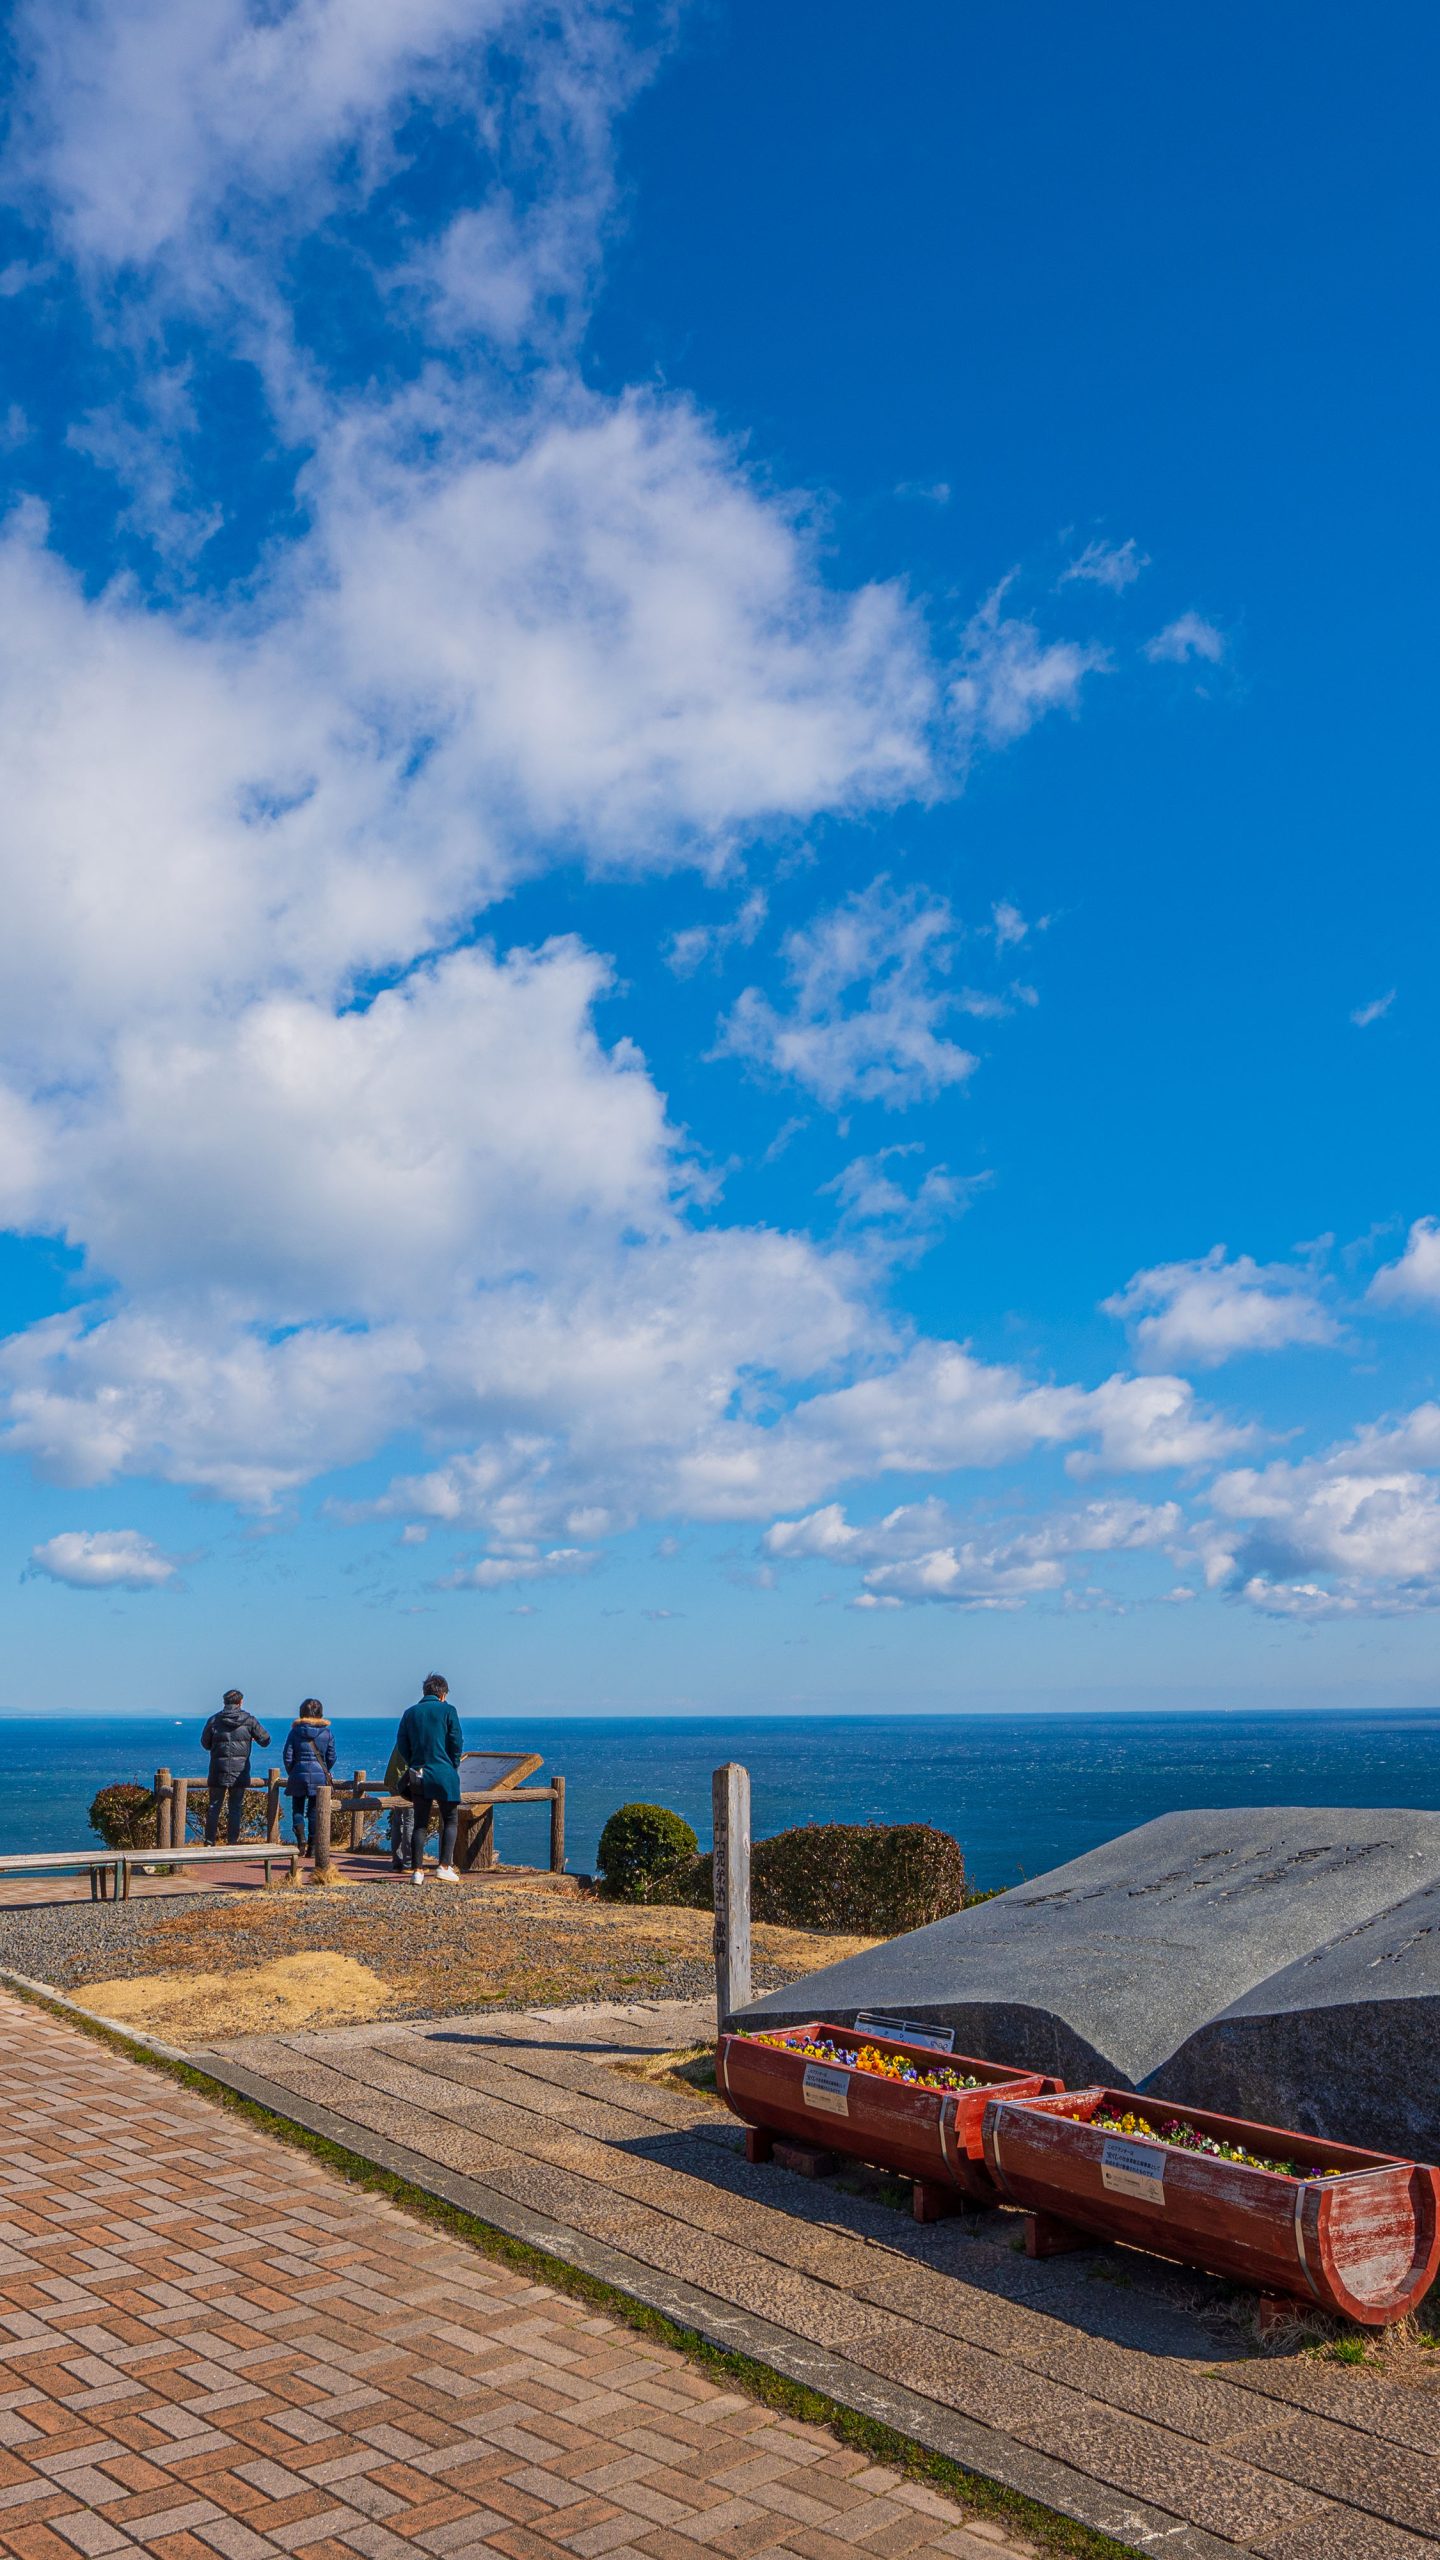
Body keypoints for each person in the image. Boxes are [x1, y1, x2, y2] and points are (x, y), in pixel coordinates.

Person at [395, 1673, 463, 1883]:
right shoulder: (448, 1711)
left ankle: (417, 1871)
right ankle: (444, 1866)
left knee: (420, 1823)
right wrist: (452, 1765)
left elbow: (402, 1744)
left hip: (419, 1773)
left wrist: (414, 1762)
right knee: (450, 1819)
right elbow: (456, 1742)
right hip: (444, 1773)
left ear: (425, 1692)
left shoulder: (410, 1713)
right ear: (443, 1694)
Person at [200, 1688, 271, 1845]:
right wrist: (251, 1737)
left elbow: (205, 1744)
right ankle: (232, 1842)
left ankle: (209, 1842)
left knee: (214, 1807)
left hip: (218, 1770)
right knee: (235, 1808)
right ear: (241, 1702)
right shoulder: (249, 1720)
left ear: (224, 1702)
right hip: (240, 1771)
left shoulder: (214, 1720)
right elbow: (266, 1740)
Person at [283, 1697, 336, 1856]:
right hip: (319, 1776)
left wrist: (293, 1771)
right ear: (320, 1713)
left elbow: (287, 1756)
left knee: (297, 1809)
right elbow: (331, 1757)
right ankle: (312, 1846)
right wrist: (324, 1770)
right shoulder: (327, 1733)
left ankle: (301, 1842)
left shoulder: (294, 1732)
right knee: (314, 1811)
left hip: (298, 1774)